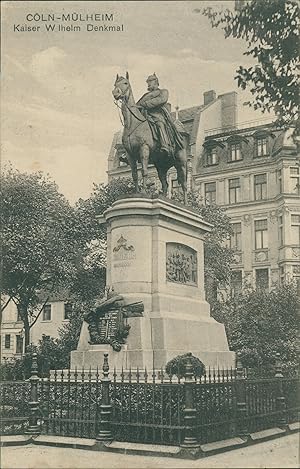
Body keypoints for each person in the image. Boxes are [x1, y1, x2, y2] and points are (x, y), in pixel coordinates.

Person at [137, 73, 184, 156]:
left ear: (156, 81)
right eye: (147, 82)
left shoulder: (163, 91)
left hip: (157, 114)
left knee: (160, 124)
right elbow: (138, 105)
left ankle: (165, 145)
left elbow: (161, 100)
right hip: (145, 116)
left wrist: (146, 104)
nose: (148, 83)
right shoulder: (145, 95)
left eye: (150, 81)